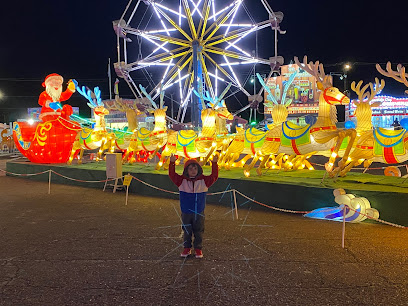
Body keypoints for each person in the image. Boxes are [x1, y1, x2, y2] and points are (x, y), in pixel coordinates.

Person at [168, 154, 219, 258]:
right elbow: (172, 175)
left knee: (199, 231)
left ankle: (198, 249)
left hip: (199, 211)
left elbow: (214, 176)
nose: (193, 170)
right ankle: (187, 248)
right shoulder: (181, 181)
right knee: (187, 231)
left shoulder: (203, 181)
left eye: (195, 168)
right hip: (186, 211)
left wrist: (214, 163)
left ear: (199, 169)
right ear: (186, 170)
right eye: (190, 168)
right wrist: (172, 163)